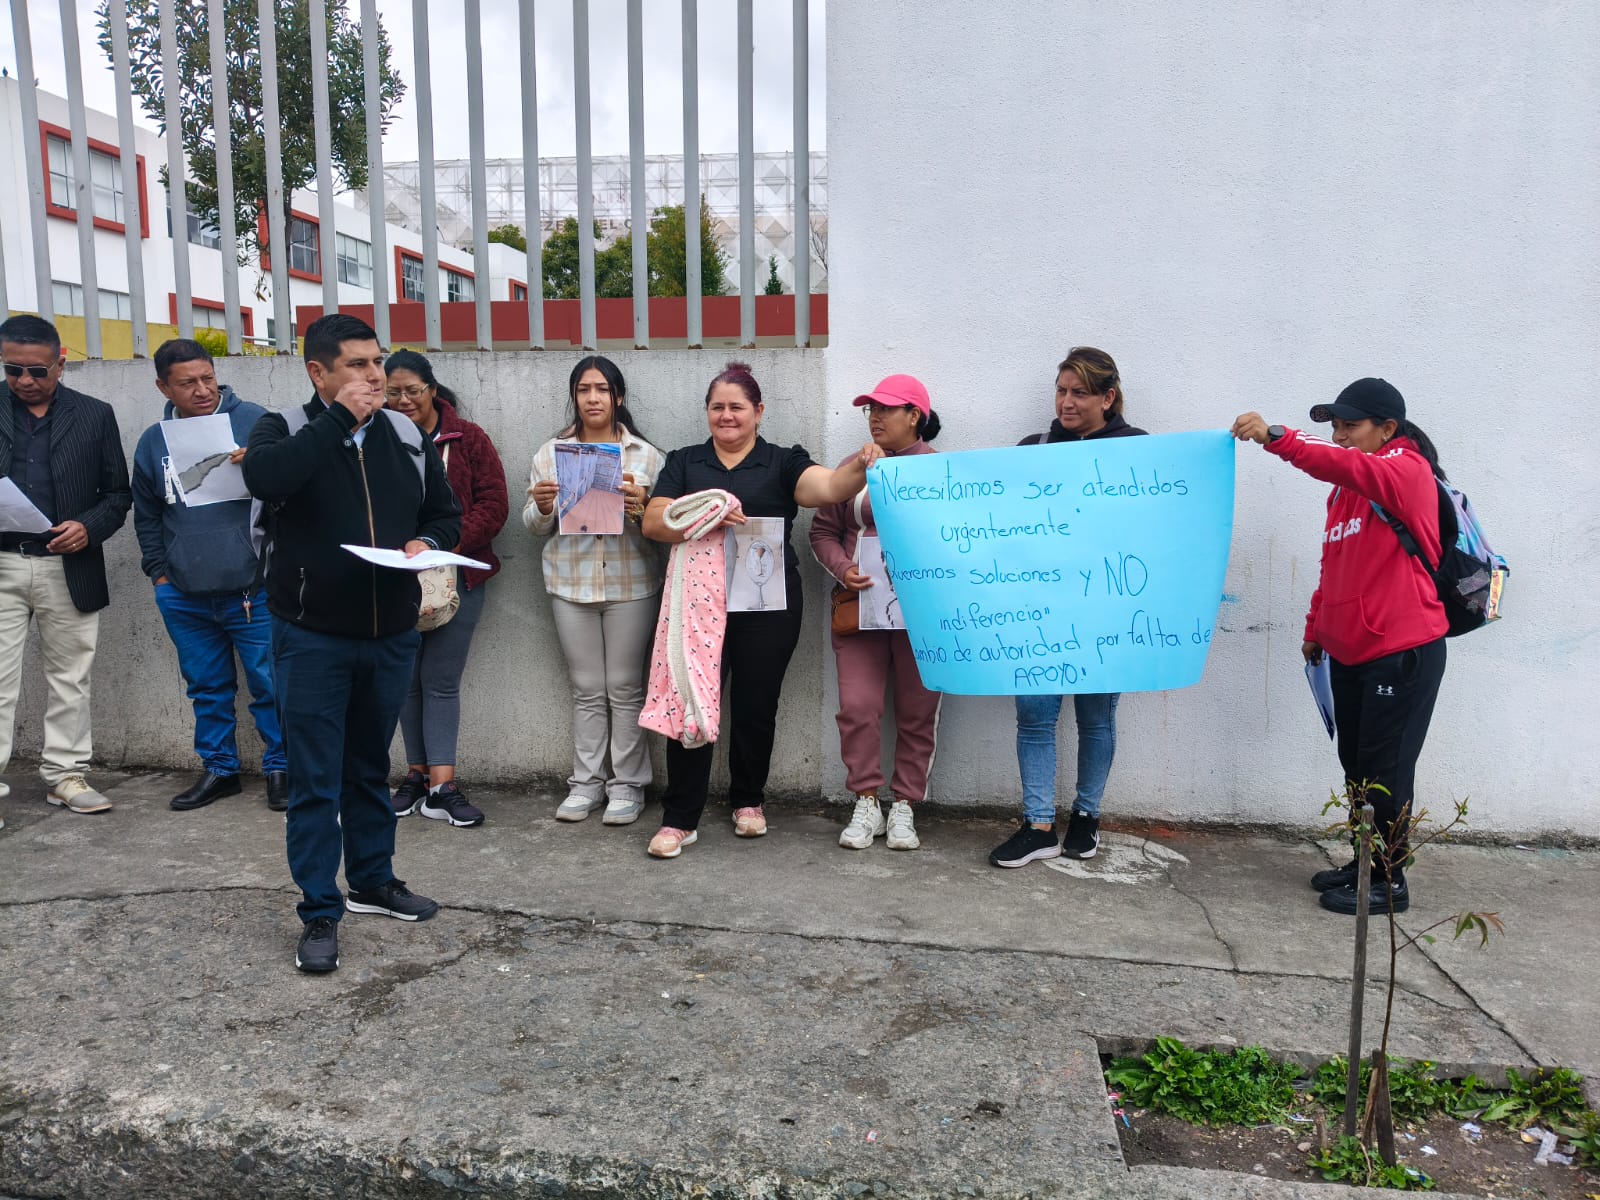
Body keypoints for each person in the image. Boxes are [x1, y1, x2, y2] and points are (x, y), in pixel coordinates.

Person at [243, 314, 460, 974]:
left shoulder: (404, 434)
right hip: (311, 637)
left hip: (390, 634)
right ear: (319, 372)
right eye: (360, 366)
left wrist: (425, 543)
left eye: (378, 363)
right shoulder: (281, 427)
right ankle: (318, 911)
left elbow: (443, 511)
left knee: (369, 769)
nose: (376, 377)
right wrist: (339, 420)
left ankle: (373, 881)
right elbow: (267, 480)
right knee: (315, 782)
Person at [641, 361, 884, 859]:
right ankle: (680, 817)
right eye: (717, 407)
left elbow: (829, 489)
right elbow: (652, 521)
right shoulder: (686, 462)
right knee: (693, 701)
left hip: (768, 603)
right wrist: (704, 509)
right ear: (707, 412)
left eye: (737, 407)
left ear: (758, 412)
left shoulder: (781, 461)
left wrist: (862, 464)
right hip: (698, 606)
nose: (726, 416)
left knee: (756, 705)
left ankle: (748, 801)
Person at [1232, 379, 1449, 915]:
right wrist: (1315, 628)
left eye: (1351, 425)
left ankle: (1389, 879)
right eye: (1335, 426)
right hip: (1351, 650)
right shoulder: (1347, 492)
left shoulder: (1404, 471)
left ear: (1388, 429)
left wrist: (1277, 436)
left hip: (1401, 649)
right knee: (1356, 763)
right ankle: (1364, 862)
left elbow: (1342, 462)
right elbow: (1335, 567)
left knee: (1385, 769)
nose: (1341, 436)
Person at [989, 347, 1146, 869]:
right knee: (1034, 717)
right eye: (1061, 390)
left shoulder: (1138, 451)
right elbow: (1000, 523)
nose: (1067, 402)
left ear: (1109, 397)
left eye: (1080, 392)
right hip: (1038, 612)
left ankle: (1086, 818)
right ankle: (1037, 826)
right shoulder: (1031, 450)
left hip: (1105, 610)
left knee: (1096, 717)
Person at [132, 339, 288, 813]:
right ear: (163, 386)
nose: (202, 390)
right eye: (187, 383)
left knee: (271, 683)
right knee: (205, 686)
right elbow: (146, 513)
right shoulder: (153, 440)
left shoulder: (258, 421)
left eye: (207, 378)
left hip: (254, 588)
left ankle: (281, 768)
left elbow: (296, 493)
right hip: (184, 591)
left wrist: (259, 466)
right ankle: (219, 770)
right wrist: (160, 575)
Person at [0, 314, 131, 818]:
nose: (25, 381)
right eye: (13, 370)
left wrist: (88, 527)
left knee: (70, 677)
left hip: (67, 565)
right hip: (3, 561)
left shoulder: (95, 414)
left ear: (61, 363)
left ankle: (65, 776)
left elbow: (118, 494)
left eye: (37, 371)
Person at [523, 356, 663, 825]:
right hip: (570, 582)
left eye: (602, 389)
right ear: (575, 397)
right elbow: (532, 526)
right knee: (585, 689)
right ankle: (586, 784)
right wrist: (542, 507)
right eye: (584, 390)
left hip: (631, 584)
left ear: (618, 397)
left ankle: (628, 787)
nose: (593, 398)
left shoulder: (645, 456)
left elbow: (664, 527)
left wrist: (641, 508)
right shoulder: (551, 453)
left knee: (624, 688)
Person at [809, 374, 943, 851]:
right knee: (858, 708)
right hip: (859, 614)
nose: (875, 417)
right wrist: (845, 570)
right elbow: (821, 532)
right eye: (871, 409)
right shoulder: (852, 469)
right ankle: (866, 800)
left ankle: (905, 804)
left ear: (915, 416)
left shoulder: (941, 472)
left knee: (917, 711)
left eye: (887, 408)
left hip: (921, 621)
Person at [384, 350, 508, 829]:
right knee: (404, 681)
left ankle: (442, 785)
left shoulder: (468, 439)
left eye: (413, 391)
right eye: (393, 392)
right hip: (395, 577)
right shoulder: (374, 440)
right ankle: (414, 777)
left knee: (439, 680)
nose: (403, 400)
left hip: (458, 575)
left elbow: (494, 504)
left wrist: (443, 542)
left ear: (432, 390)